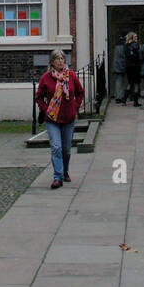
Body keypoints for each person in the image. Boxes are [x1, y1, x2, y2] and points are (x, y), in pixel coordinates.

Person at [34, 50, 84, 189]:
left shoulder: (72, 76)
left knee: (66, 150)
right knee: (56, 147)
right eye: (57, 59)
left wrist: (75, 107)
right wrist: (46, 110)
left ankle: (65, 171)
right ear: (52, 62)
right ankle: (57, 177)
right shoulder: (46, 78)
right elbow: (39, 97)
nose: (60, 61)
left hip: (68, 118)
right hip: (52, 119)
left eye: (62, 58)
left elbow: (80, 93)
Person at [124, 32, 142, 106]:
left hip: (128, 66)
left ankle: (124, 99)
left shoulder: (126, 46)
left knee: (130, 83)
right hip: (136, 66)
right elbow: (139, 56)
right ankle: (135, 101)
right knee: (136, 83)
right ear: (132, 37)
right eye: (135, 36)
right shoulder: (136, 45)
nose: (136, 38)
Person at [111, 36, 128, 104]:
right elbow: (123, 57)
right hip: (121, 66)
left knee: (118, 81)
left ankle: (118, 95)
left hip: (117, 66)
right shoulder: (123, 47)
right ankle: (120, 96)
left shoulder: (116, 47)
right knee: (121, 81)